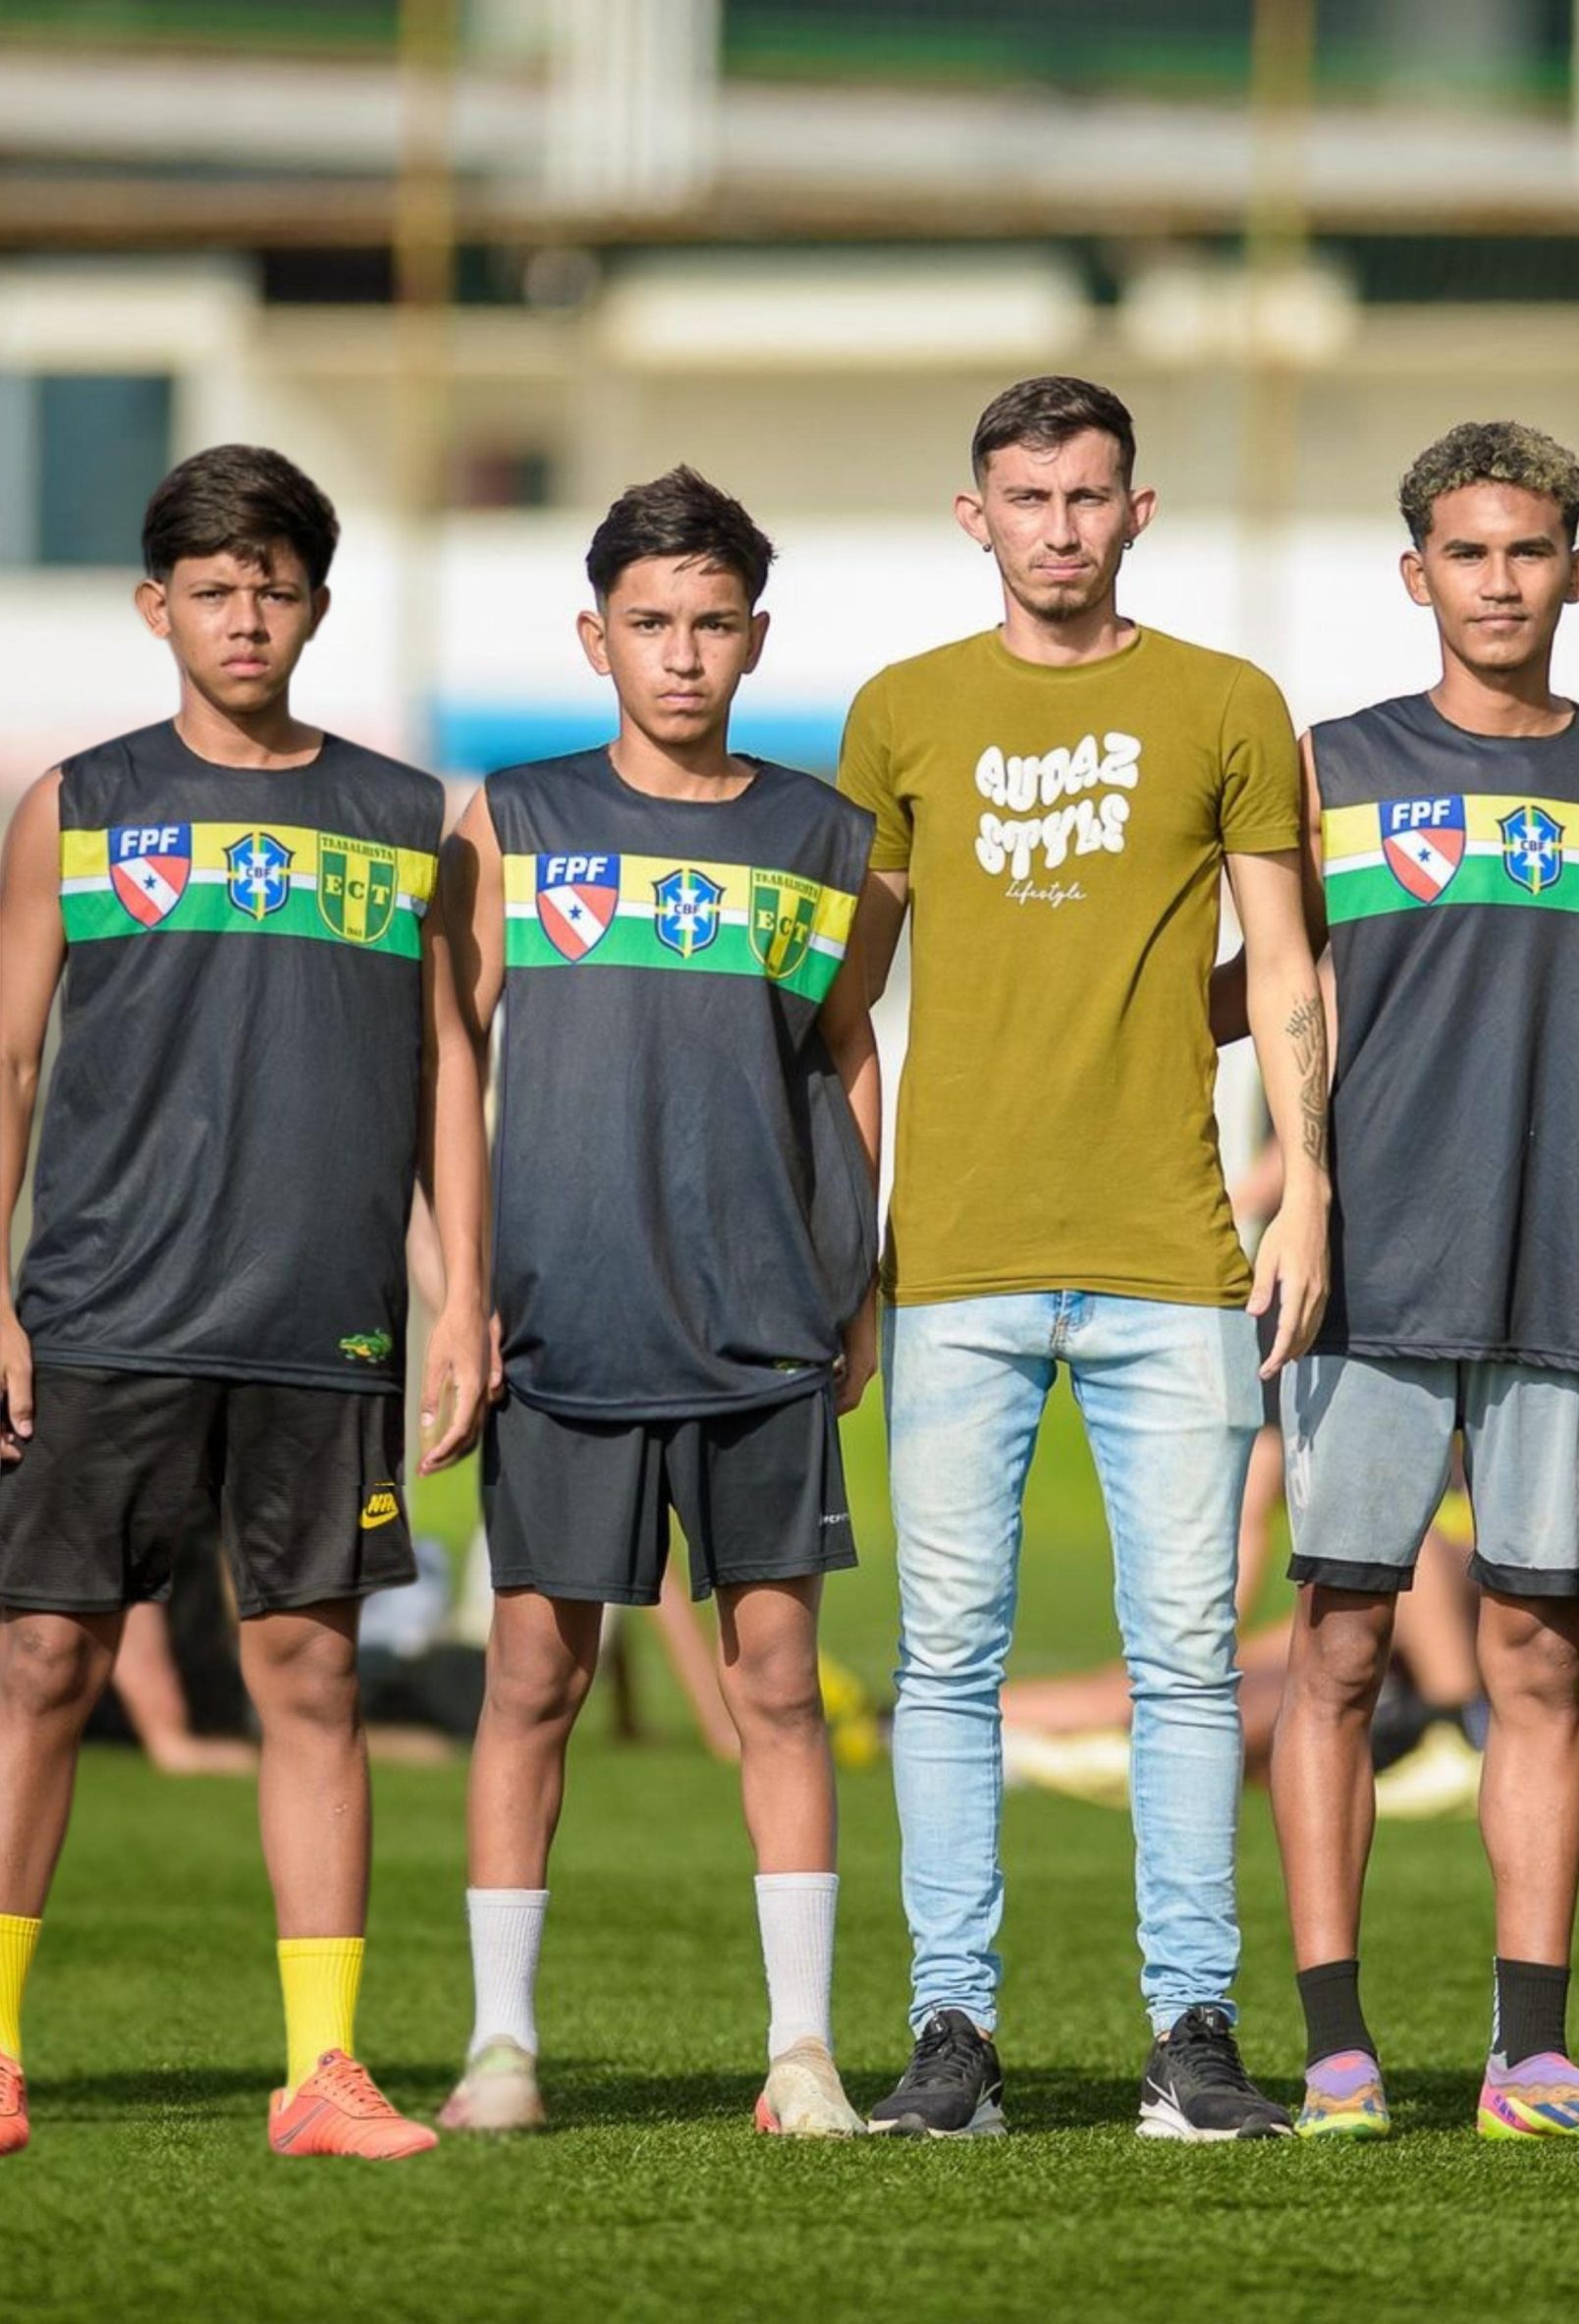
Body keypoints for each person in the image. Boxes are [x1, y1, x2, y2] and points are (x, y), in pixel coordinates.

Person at [840, 375, 1328, 2140]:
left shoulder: (1227, 703)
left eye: (1090, 494)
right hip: (955, 1258)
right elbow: (843, 1004)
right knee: (946, 1658)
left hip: (1175, 1254)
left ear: (1140, 508)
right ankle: (949, 2033)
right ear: (976, 514)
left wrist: (1312, 1199)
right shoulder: (897, 714)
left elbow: (1286, 973)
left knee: (1190, 1660)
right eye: (1028, 495)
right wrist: (848, 1234)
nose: (1060, 523)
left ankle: (1191, 2029)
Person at [0, 445, 481, 2160]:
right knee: (46, 1658)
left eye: (275, 584)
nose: (247, 613)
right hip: (103, 1312)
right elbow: (9, 1052)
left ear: (317, 604)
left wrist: (462, 1295)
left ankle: (322, 2072)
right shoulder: (78, 800)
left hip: (318, 1324)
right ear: (158, 608)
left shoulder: (401, 815)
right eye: (214, 587)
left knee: (310, 1678)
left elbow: (444, 1068)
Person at [433, 468, 882, 2140]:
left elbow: (843, 1060)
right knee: (532, 1684)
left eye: (711, 624)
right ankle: (500, 2049)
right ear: (594, 634)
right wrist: (457, 1287)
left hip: (763, 1326)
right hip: (560, 1327)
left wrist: (859, 1281)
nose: (681, 654)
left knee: (777, 1685)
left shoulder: (823, 836)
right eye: (649, 623)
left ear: (755, 638)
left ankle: (802, 2052)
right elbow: (447, 1061)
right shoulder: (513, 820)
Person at [1266, 420, 1579, 2143]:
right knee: (1339, 1651)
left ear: (1576, 569)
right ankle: (1337, 2052)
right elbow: (1262, 985)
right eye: (1468, 551)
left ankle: (1530, 2057)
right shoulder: (1327, 768)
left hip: (1562, 1271)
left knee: (1536, 1655)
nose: (1499, 580)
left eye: (1530, 552)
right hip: (1366, 1276)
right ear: (1415, 571)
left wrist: (1557, 1131)